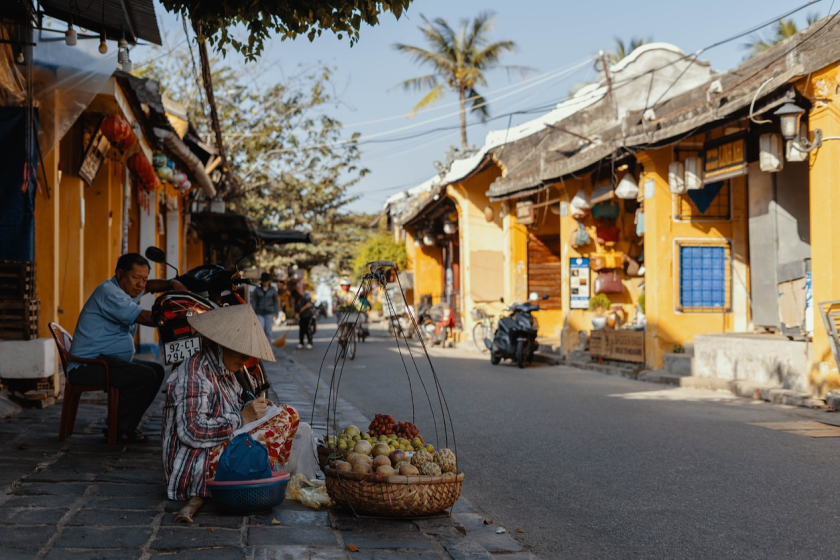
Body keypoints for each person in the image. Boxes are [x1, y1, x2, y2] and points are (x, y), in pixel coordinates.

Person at [162, 304, 299, 501]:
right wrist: (243, 417)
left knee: (289, 414)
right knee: (282, 419)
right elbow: (191, 431)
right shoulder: (195, 374)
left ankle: (267, 473)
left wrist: (254, 410)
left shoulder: (226, 371)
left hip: (218, 447)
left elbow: (232, 409)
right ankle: (263, 476)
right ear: (221, 344)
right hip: (197, 465)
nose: (245, 358)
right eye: (239, 350)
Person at [68, 253, 187, 443]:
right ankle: (120, 428)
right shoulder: (110, 292)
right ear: (120, 273)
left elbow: (149, 287)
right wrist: (183, 316)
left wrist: (171, 285)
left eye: (144, 278)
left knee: (156, 370)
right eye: (136, 278)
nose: (140, 284)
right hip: (88, 366)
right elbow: (143, 317)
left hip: (106, 361)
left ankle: (122, 422)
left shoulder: (125, 290)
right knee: (145, 376)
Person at [251, 272, 279, 343]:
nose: (265, 283)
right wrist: (252, 312)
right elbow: (254, 302)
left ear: (269, 281)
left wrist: (277, 312)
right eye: (264, 281)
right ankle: (262, 347)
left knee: (268, 331)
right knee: (261, 329)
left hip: (269, 312)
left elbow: (276, 301)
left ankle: (268, 348)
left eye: (266, 281)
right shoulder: (257, 289)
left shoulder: (273, 289)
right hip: (259, 312)